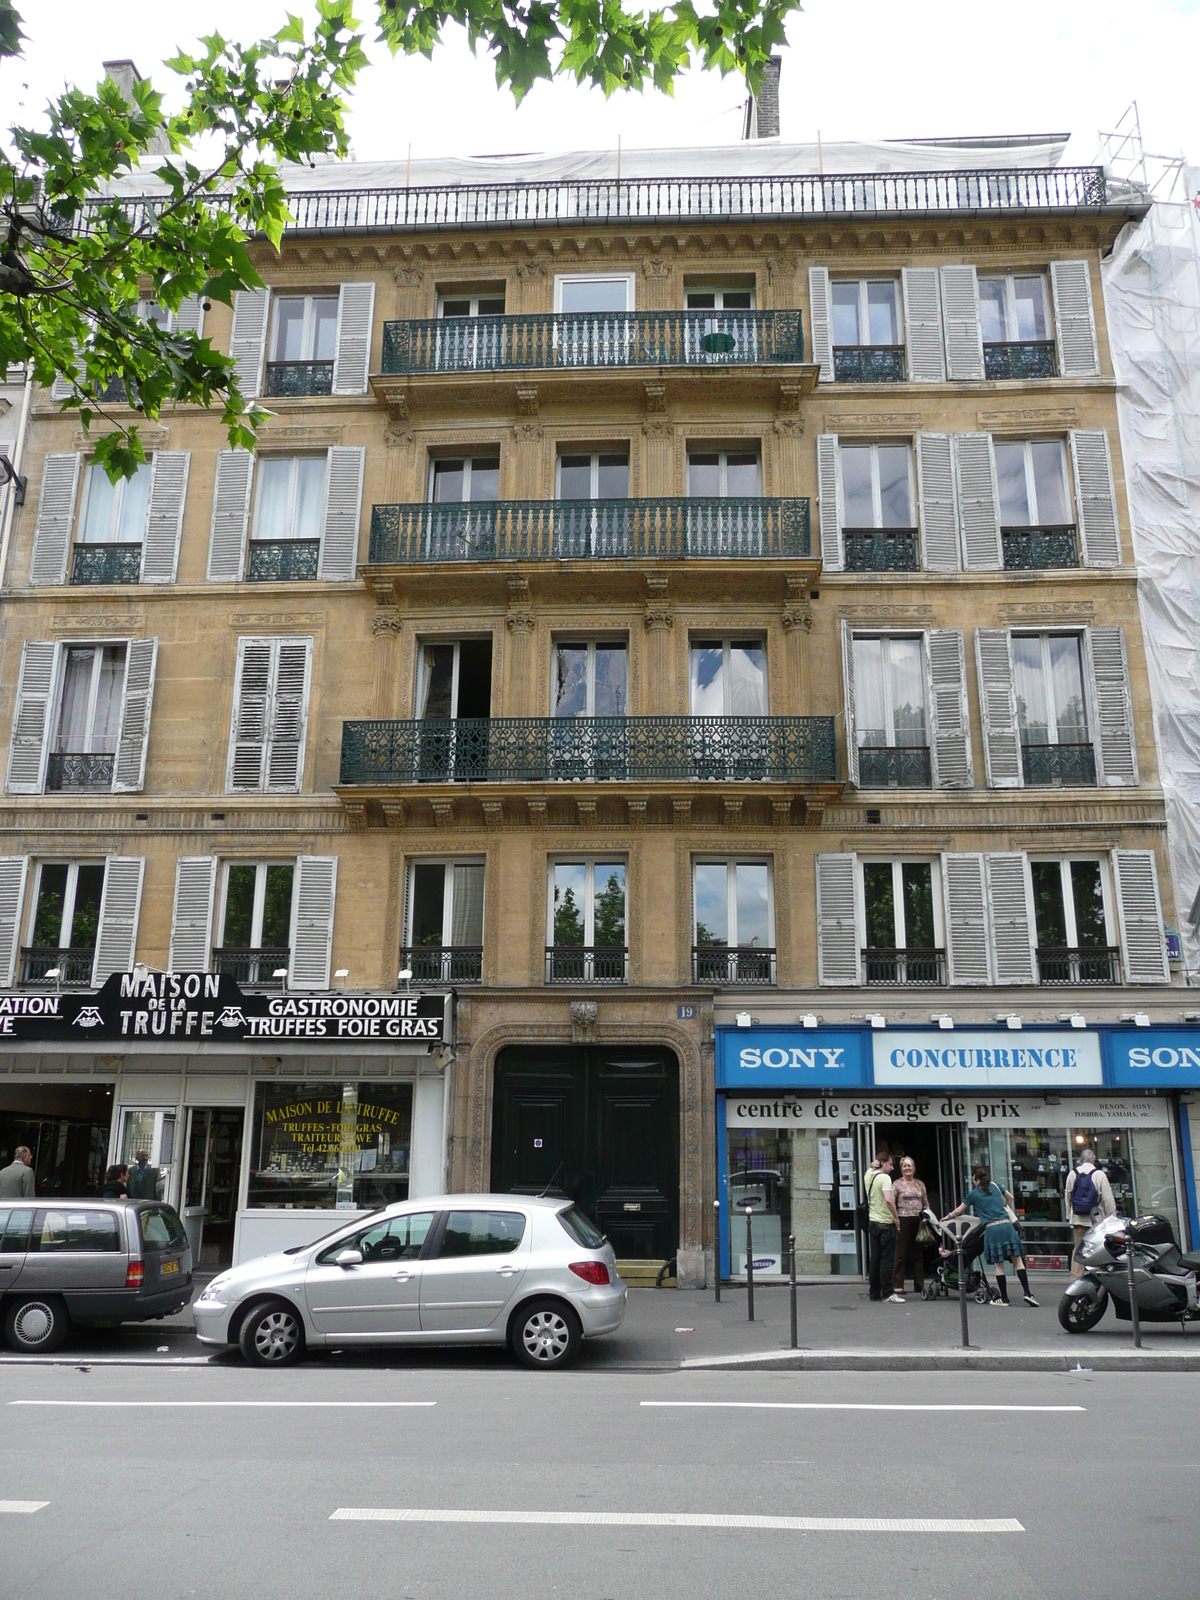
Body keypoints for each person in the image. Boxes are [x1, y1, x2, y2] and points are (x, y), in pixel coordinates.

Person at [945, 1166, 1038, 1307]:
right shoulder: (995, 1185)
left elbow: (959, 1210)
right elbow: (1010, 1197)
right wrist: (1006, 1206)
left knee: (998, 1265)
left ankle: (1004, 1299)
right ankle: (1028, 1293)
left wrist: (948, 1217)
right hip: (1007, 1226)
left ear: (974, 1179)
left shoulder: (973, 1194)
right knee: (1017, 1260)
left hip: (992, 1229)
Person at [1064, 1147, 1116, 1280]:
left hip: (1078, 1221)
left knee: (1078, 1250)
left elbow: (1067, 1197)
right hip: (1096, 1222)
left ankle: (1075, 1280)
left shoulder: (1072, 1174)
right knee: (1098, 1250)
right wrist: (1112, 1218)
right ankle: (1101, 1278)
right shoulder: (1099, 1174)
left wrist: (1070, 1217)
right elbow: (1107, 1199)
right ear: (1094, 1160)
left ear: (1081, 1160)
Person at [864, 1150, 903, 1303]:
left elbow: (869, 1169)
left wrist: (871, 1165)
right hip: (886, 1223)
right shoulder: (885, 1178)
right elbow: (888, 1199)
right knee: (887, 1260)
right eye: (890, 1164)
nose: (892, 1168)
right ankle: (887, 1293)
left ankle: (874, 1292)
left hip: (873, 1222)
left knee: (875, 1259)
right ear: (882, 1163)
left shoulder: (868, 1175)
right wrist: (896, 1217)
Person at [892, 1156, 929, 1297]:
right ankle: (897, 1285)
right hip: (903, 1219)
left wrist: (927, 1217)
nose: (907, 1168)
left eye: (909, 1166)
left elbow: (925, 1202)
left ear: (914, 1168)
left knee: (918, 1254)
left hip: (918, 1220)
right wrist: (895, 1219)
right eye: (904, 1166)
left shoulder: (920, 1184)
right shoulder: (897, 1184)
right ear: (901, 1169)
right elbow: (892, 1203)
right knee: (901, 1253)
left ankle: (919, 1284)